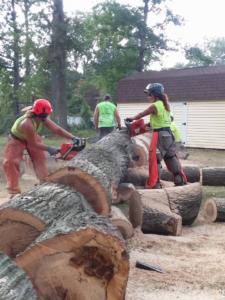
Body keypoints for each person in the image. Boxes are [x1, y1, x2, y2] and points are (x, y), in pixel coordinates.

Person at [3, 98, 81, 198]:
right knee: (11, 162)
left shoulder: (41, 117)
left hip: (32, 137)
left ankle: (44, 184)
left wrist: (73, 138)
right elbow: (33, 144)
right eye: (47, 115)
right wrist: (50, 148)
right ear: (42, 115)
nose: (48, 116)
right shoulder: (27, 124)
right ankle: (14, 192)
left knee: (39, 159)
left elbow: (57, 129)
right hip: (17, 139)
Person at [126, 83, 187, 189]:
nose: (148, 97)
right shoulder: (165, 104)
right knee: (170, 157)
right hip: (169, 135)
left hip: (159, 135)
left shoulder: (155, 105)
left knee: (155, 159)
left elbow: (142, 114)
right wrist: (144, 127)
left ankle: (155, 184)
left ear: (154, 94)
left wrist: (132, 118)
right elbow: (158, 122)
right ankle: (179, 180)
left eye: (149, 94)